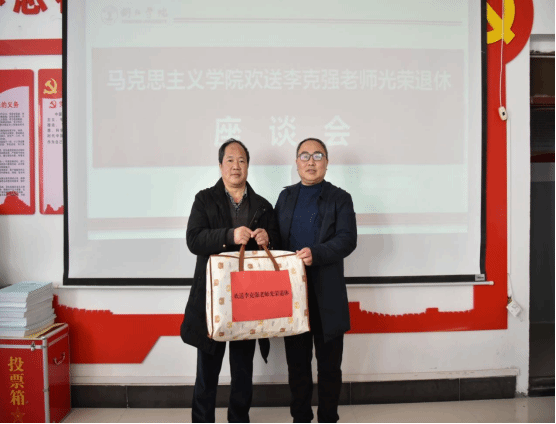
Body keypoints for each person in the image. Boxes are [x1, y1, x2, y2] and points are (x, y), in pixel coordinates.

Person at [180, 138, 280, 423]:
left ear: (248, 166)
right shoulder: (204, 199)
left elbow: (278, 246)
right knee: (207, 372)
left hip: (248, 299)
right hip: (212, 300)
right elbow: (194, 239)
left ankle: (239, 419)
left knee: (243, 371)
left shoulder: (263, 205)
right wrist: (229, 236)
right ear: (220, 165)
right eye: (230, 160)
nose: (236, 166)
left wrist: (268, 239)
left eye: (242, 160)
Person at [275, 138, 357, 423]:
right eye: (305, 156)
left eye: (318, 155)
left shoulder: (340, 198)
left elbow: (347, 239)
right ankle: (300, 418)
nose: (311, 161)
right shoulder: (286, 197)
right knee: (297, 365)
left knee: (329, 367)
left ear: (327, 162)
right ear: (297, 162)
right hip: (293, 296)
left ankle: (328, 418)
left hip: (328, 296)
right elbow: (276, 239)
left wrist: (317, 253)